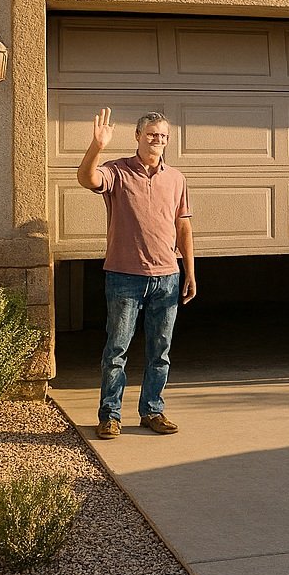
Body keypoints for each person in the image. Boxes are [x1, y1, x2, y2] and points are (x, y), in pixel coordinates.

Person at [77, 108, 196, 439]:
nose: (157, 139)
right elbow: (87, 178)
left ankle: (152, 411)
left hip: (167, 276)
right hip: (124, 277)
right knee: (116, 349)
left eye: (163, 136)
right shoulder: (117, 171)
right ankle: (110, 415)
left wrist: (189, 270)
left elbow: (183, 225)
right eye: (151, 134)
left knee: (161, 351)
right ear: (138, 137)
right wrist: (97, 146)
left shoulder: (176, 178)